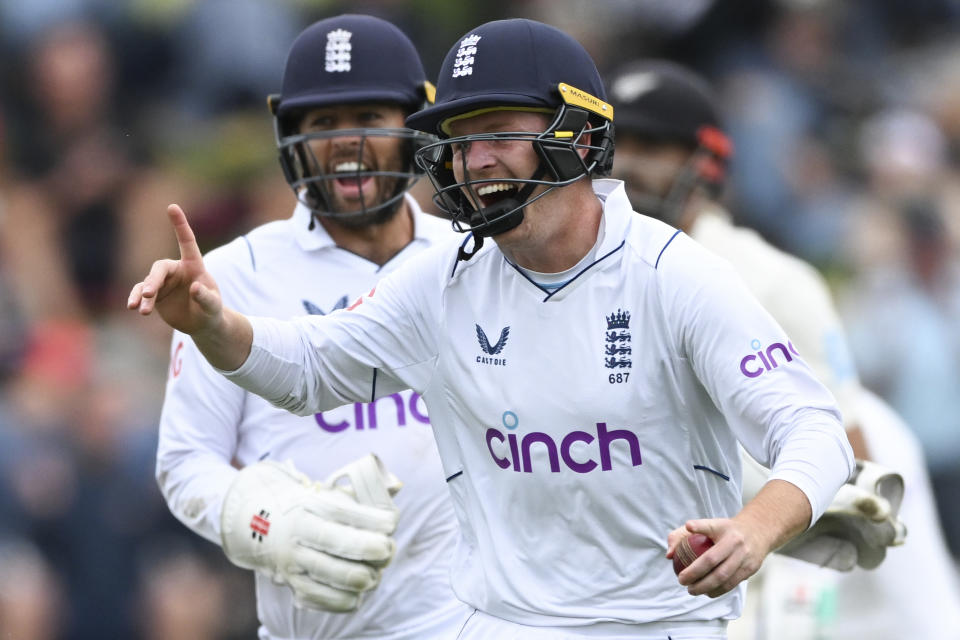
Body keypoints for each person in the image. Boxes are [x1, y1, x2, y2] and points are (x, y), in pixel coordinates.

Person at [130, 19, 854, 639]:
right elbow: (308, 370)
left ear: (579, 135)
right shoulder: (441, 281)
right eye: (459, 139)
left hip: (658, 625)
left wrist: (757, 527)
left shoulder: (676, 276)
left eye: (500, 132)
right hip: (495, 624)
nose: (476, 161)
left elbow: (814, 429)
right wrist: (214, 323)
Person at [606, 59, 960, 640]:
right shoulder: (588, 277)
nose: (631, 165)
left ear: (708, 162)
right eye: (622, 144)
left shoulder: (774, 282)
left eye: (655, 145)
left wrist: (780, 590)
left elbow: (852, 465)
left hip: (754, 573)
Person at [153, 14, 472, 640]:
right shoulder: (233, 275)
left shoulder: (474, 258)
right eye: (323, 123)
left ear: (415, 128)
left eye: (370, 119)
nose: (346, 143)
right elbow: (186, 462)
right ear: (290, 138)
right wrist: (268, 521)